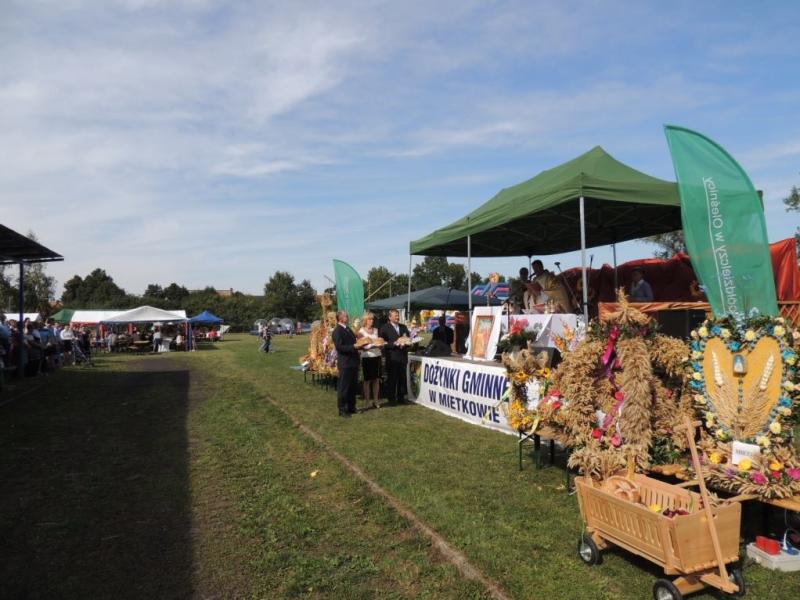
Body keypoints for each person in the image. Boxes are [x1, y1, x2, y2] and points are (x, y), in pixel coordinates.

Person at [379, 308, 410, 404]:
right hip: (392, 357)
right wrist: (393, 344)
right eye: (395, 315)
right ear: (390, 317)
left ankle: (401, 398)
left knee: (402, 378)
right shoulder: (384, 328)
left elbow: (408, 338)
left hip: (403, 357)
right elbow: (382, 343)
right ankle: (391, 399)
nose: (397, 317)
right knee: (392, 379)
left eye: (398, 315)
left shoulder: (403, 327)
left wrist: (407, 343)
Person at [332, 310, 359, 417]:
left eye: (347, 315)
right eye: (346, 316)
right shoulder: (337, 331)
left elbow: (354, 342)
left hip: (353, 362)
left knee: (353, 386)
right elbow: (339, 347)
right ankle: (342, 409)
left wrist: (360, 345)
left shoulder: (348, 329)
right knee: (344, 387)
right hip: (345, 363)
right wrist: (353, 347)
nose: (348, 317)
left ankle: (352, 407)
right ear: (340, 318)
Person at [358, 312, 382, 409]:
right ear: (365, 320)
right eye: (370, 319)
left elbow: (379, 342)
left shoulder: (376, 330)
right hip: (367, 357)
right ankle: (368, 401)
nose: (372, 321)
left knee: (376, 380)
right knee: (367, 381)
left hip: (377, 356)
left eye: (373, 319)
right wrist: (372, 346)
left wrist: (380, 344)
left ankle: (376, 400)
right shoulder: (361, 331)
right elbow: (360, 346)